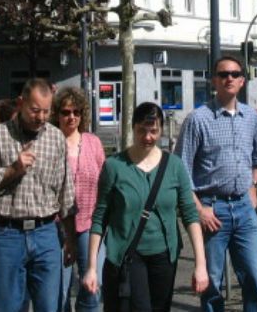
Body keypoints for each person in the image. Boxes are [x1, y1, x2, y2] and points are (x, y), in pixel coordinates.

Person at [83, 102, 208, 312]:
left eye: (153, 131)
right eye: (142, 130)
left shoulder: (174, 166)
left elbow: (190, 215)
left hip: (164, 255)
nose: (148, 136)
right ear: (132, 128)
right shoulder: (115, 166)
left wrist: (201, 264)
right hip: (127, 255)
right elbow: (99, 218)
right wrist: (91, 267)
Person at [175, 55, 257, 312]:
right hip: (212, 210)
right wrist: (199, 209)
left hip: (243, 209)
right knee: (212, 283)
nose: (229, 78)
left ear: (242, 80)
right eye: (223, 74)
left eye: (234, 74)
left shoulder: (252, 118)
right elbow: (180, 170)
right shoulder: (198, 119)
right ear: (214, 81)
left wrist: (253, 185)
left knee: (256, 277)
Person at [0, 79, 77, 312]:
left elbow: (66, 192)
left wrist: (70, 238)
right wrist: (13, 170)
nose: (41, 117)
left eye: (46, 111)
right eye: (35, 110)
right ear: (21, 103)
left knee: (49, 306)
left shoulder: (55, 138)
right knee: (6, 305)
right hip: (8, 234)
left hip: (46, 234)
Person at [52, 87, 106, 312]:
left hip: (89, 223)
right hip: (56, 225)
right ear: (57, 115)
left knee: (92, 287)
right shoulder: (50, 142)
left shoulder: (92, 142)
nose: (71, 117)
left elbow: (105, 179)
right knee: (58, 291)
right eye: (66, 112)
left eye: (76, 112)